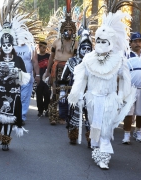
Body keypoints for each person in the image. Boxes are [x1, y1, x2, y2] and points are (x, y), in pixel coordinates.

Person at [68, 9, 136, 169]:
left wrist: (121, 97)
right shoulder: (88, 58)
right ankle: (97, 147)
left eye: (104, 41)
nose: (100, 44)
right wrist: (76, 93)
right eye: (98, 41)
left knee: (106, 128)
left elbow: (125, 79)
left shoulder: (118, 59)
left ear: (111, 42)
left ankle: (104, 155)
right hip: (92, 99)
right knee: (95, 124)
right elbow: (81, 77)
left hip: (109, 99)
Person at [0, 33, 30, 151]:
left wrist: (17, 73)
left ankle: (5, 141)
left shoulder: (18, 60)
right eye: (4, 45)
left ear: (13, 46)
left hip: (13, 92)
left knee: (9, 118)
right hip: (0, 91)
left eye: (9, 44)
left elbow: (25, 77)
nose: (6, 47)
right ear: (1, 46)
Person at [58, 18, 93, 146]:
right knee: (73, 115)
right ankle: (73, 135)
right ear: (79, 49)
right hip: (74, 94)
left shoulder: (95, 64)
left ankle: (91, 138)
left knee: (90, 118)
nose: (86, 51)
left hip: (90, 95)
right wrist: (62, 93)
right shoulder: (72, 62)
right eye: (84, 48)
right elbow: (63, 79)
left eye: (89, 48)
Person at [44, 6, 78, 125]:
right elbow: (51, 57)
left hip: (70, 70)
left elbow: (77, 59)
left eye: (70, 29)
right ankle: (53, 116)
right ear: (62, 29)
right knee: (55, 92)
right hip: (57, 69)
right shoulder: (56, 42)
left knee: (68, 93)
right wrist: (48, 72)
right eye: (66, 29)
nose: (68, 31)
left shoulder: (75, 44)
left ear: (73, 31)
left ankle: (64, 116)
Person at [122, 32, 141, 144]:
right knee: (128, 113)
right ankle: (126, 135)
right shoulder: (126, 55)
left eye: (140, 41)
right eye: (135, 41)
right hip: (130, 89)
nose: (138, 43)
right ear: (131, 43)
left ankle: (138, 132)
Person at [14, 43, 40, 125]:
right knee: (15, 97)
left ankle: (21, 117)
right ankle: (14, 116)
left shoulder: (31, 47)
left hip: (27, 77)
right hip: (14, 77)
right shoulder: (12, 46)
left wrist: (38, 74)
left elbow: (35, 61)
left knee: (24, 97)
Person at [36, 41, 50, 117]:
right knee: (39, 95)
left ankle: (47, 109)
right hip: (39, 78)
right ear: (39, 47)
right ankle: (40, 110)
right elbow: (34, 67)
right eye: (42, 47)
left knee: (47, 94)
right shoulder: (37, 57)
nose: (44, 49)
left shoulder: (49, 56)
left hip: (47, 78)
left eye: (45, 47)